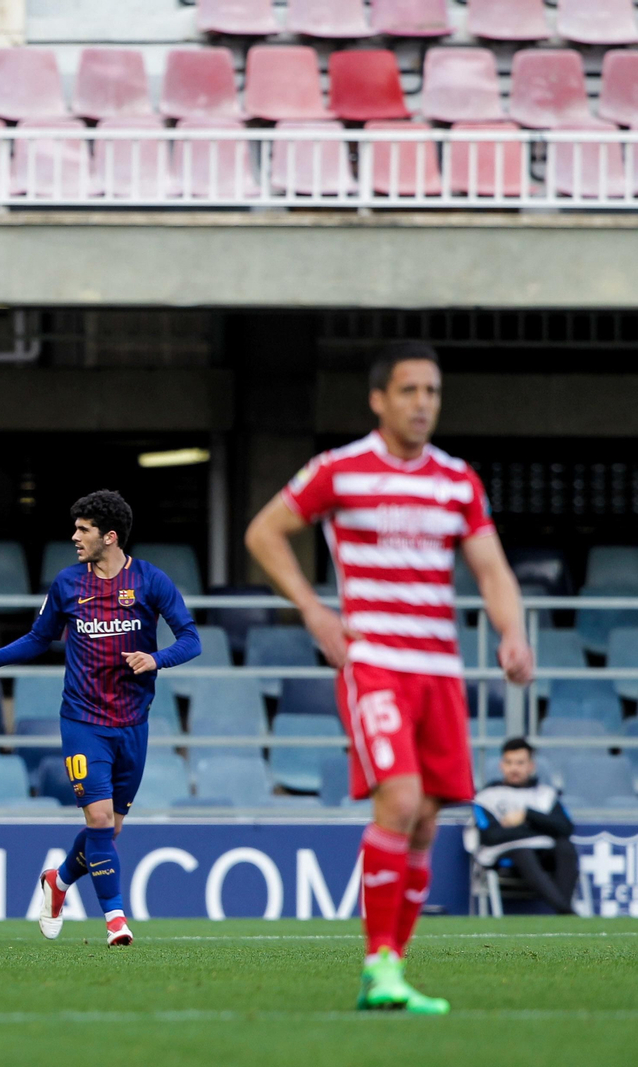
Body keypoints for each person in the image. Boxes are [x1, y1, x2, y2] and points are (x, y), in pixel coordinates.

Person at [245, 341, 534, 1014]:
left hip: (440, 668)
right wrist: (315, 610)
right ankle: (379, 963)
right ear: (380, 399)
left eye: (431, 391)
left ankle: (390, 970)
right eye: (409, 390)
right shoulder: (341, 470)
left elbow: (492, 569)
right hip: (376, 661)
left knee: (429, 821)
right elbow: (265, 531)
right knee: (400, 803)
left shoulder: (457, 481)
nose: (422, 403)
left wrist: (511, 630)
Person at [0, 489, 200, 948]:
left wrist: (156, 659)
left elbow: (191, 639)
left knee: (110, 827)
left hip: (133, 724)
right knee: (101, 819)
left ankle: (59, 880)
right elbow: (35, 640)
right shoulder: (68, 584)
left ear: (109, 536)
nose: (74, 537)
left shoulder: (150, 581)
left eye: (83, 530)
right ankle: (116, 920)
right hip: (83, 721)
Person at [474, 738, 579, 915]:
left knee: (565, 847)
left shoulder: (546, 795)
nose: (514, 768)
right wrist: (539, 827)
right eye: (509, 762)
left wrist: (526, 815)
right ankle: (566, 912)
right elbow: (490, 836)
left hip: (545, 854)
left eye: (520, 763)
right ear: (501, 765)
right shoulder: (487, 797)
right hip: (507, 859)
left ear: (531, 766)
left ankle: (563, 910)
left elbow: (565, 829)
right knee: (523, 851)